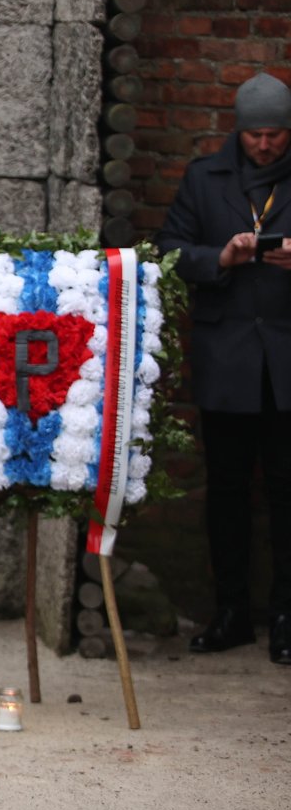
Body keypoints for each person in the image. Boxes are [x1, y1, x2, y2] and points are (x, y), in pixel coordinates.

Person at [158, 71, 291, 666]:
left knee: (287, 492)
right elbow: (168, 250)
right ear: (238, 129)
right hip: (228, 358)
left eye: (275, 134)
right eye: (255, 134)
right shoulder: (204, 178)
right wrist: (223, 256)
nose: (264, 145)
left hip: (286, 358)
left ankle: (286, 617)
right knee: (229, 491)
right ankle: (231, 612)